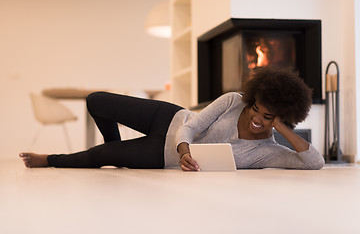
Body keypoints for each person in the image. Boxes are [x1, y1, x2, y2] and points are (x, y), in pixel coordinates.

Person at [19, 66, 325, 171]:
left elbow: (314, 163)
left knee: (99, 157)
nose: (256, 117)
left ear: (282, 117)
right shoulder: (234, 100)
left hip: (159, 155)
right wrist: (184, 150)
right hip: (168, 119)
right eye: (255, 108)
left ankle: (50, 159)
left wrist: (282, 127)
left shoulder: (267, 152)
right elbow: (193, 126)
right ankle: (114, 148)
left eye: (267, 116)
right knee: (96, 101)